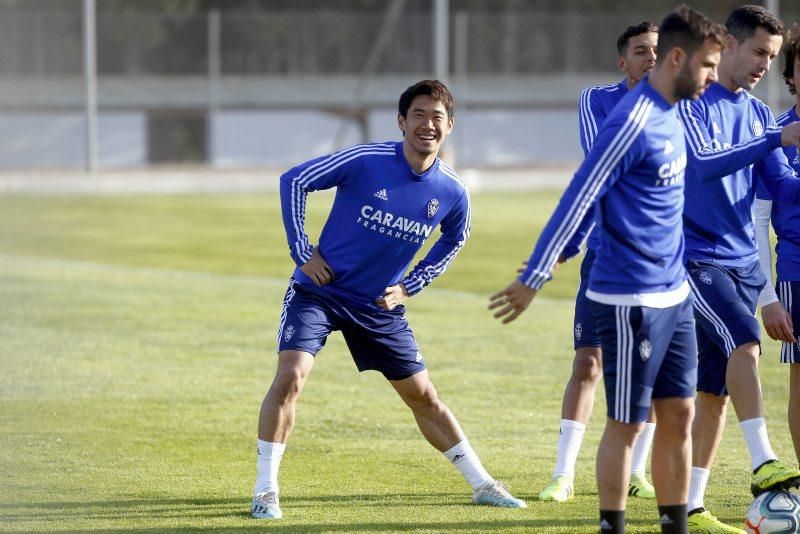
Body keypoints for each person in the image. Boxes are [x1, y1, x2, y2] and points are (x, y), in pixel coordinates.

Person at [490, 6, 725, 533]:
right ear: (679, 58)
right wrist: (535, 277)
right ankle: (611, 525)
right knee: (624, 420)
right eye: (708, 66)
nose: (712, 78)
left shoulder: (676, 113)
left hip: (675, 294)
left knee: (679, 415)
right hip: (627, 298)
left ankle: (674, 524)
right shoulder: (631, 119)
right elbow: (578, 199)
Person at [251, 80, 526, 520]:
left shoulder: (453, 192)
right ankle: (266, 491)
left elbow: (456, 238)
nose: (427, 124)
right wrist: (303, 251)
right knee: (291, 377)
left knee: (424, 397)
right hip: (319, 293)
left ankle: (483, 485)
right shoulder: (366, 160)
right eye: (418, 115)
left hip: (378, 307)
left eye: (437, 117)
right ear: (401, 121)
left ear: (449, 126)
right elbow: (295, 180)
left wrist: (411, 285)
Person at [677, 6, 800, 533]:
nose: (764, 67)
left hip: (737, 259)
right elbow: (703, 165)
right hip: (690, 255)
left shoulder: (756, 115)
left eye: (772, 59)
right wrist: (777, 138)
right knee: (745, 342)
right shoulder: (691, 101)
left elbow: (781, 189)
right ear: (728, 44)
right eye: (759, 53)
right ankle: (762, 461)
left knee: (713, 393)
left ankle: (691, 506)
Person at [538, 21, 661, 503]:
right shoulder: (597, 100)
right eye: (640, 50)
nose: (651, 57)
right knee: (588, 363)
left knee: (649, 368)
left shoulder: (680, 106)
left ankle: (638, 470)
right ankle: (563, 474)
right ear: (623, 60)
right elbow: (601, 158)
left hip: (657, 262)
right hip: (606, 254)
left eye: (658, 50)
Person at [754, 23, 800, 470]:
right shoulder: (777, 135)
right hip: (797, 271)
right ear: (792, 75)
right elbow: (758, 220)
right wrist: (767, 298)